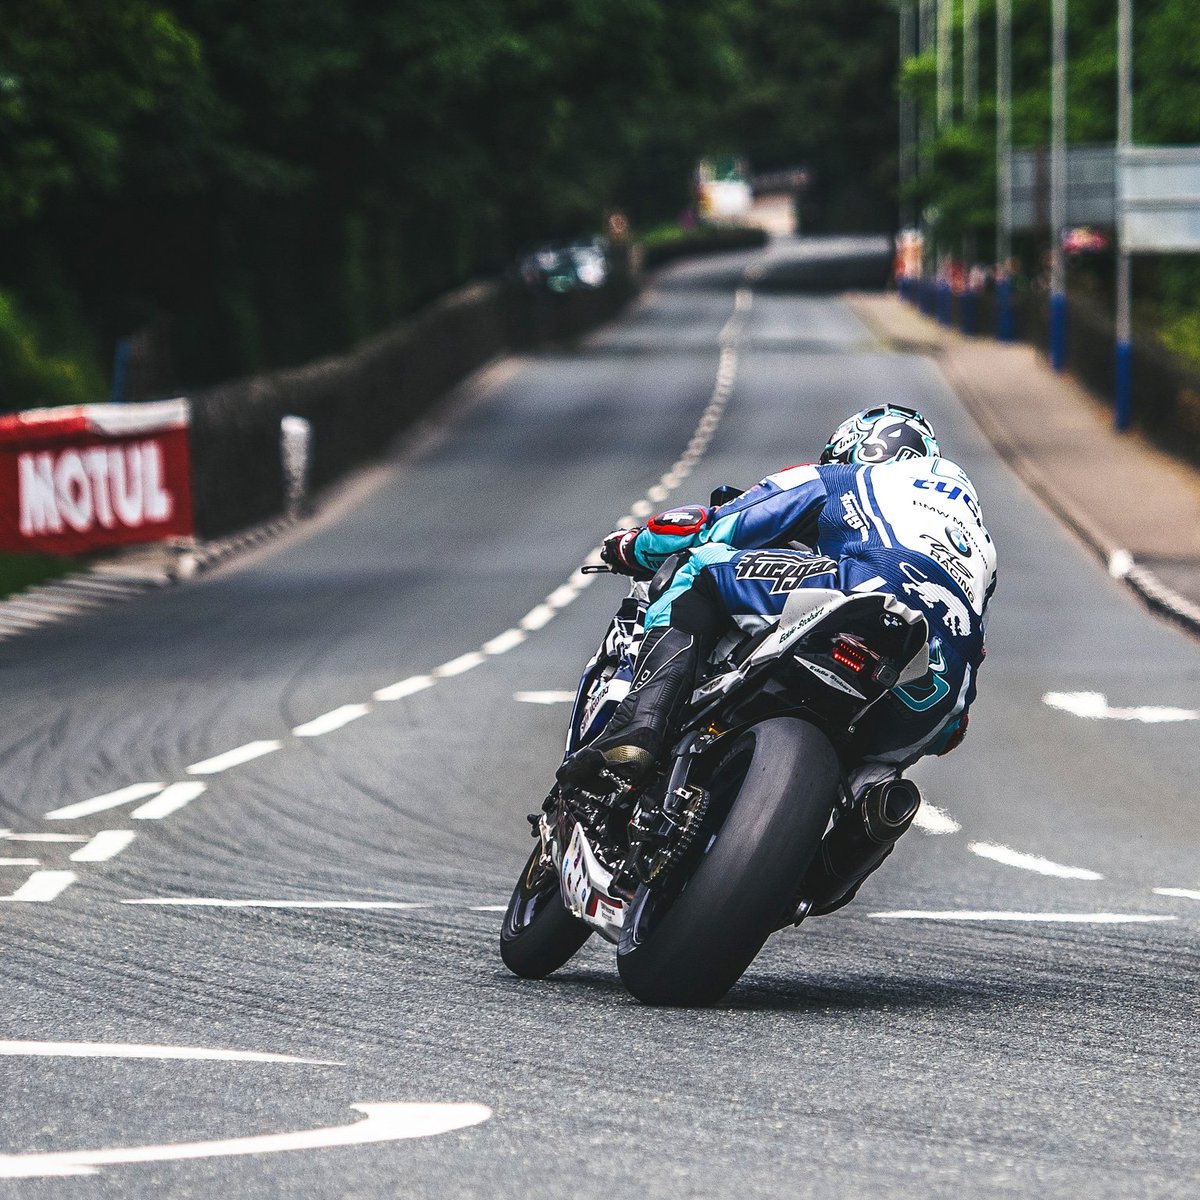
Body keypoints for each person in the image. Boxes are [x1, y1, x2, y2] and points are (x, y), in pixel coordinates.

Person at [557, 403, 996, 911]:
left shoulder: (842, 478)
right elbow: (971, 660)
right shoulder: (979, 538)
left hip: (857, 595)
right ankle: (854, 841)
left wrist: (635, 547)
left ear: (856, 447)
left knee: (700, 569)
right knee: (872, 774)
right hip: (939, 689)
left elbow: (718, 525)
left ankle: (639, 729)